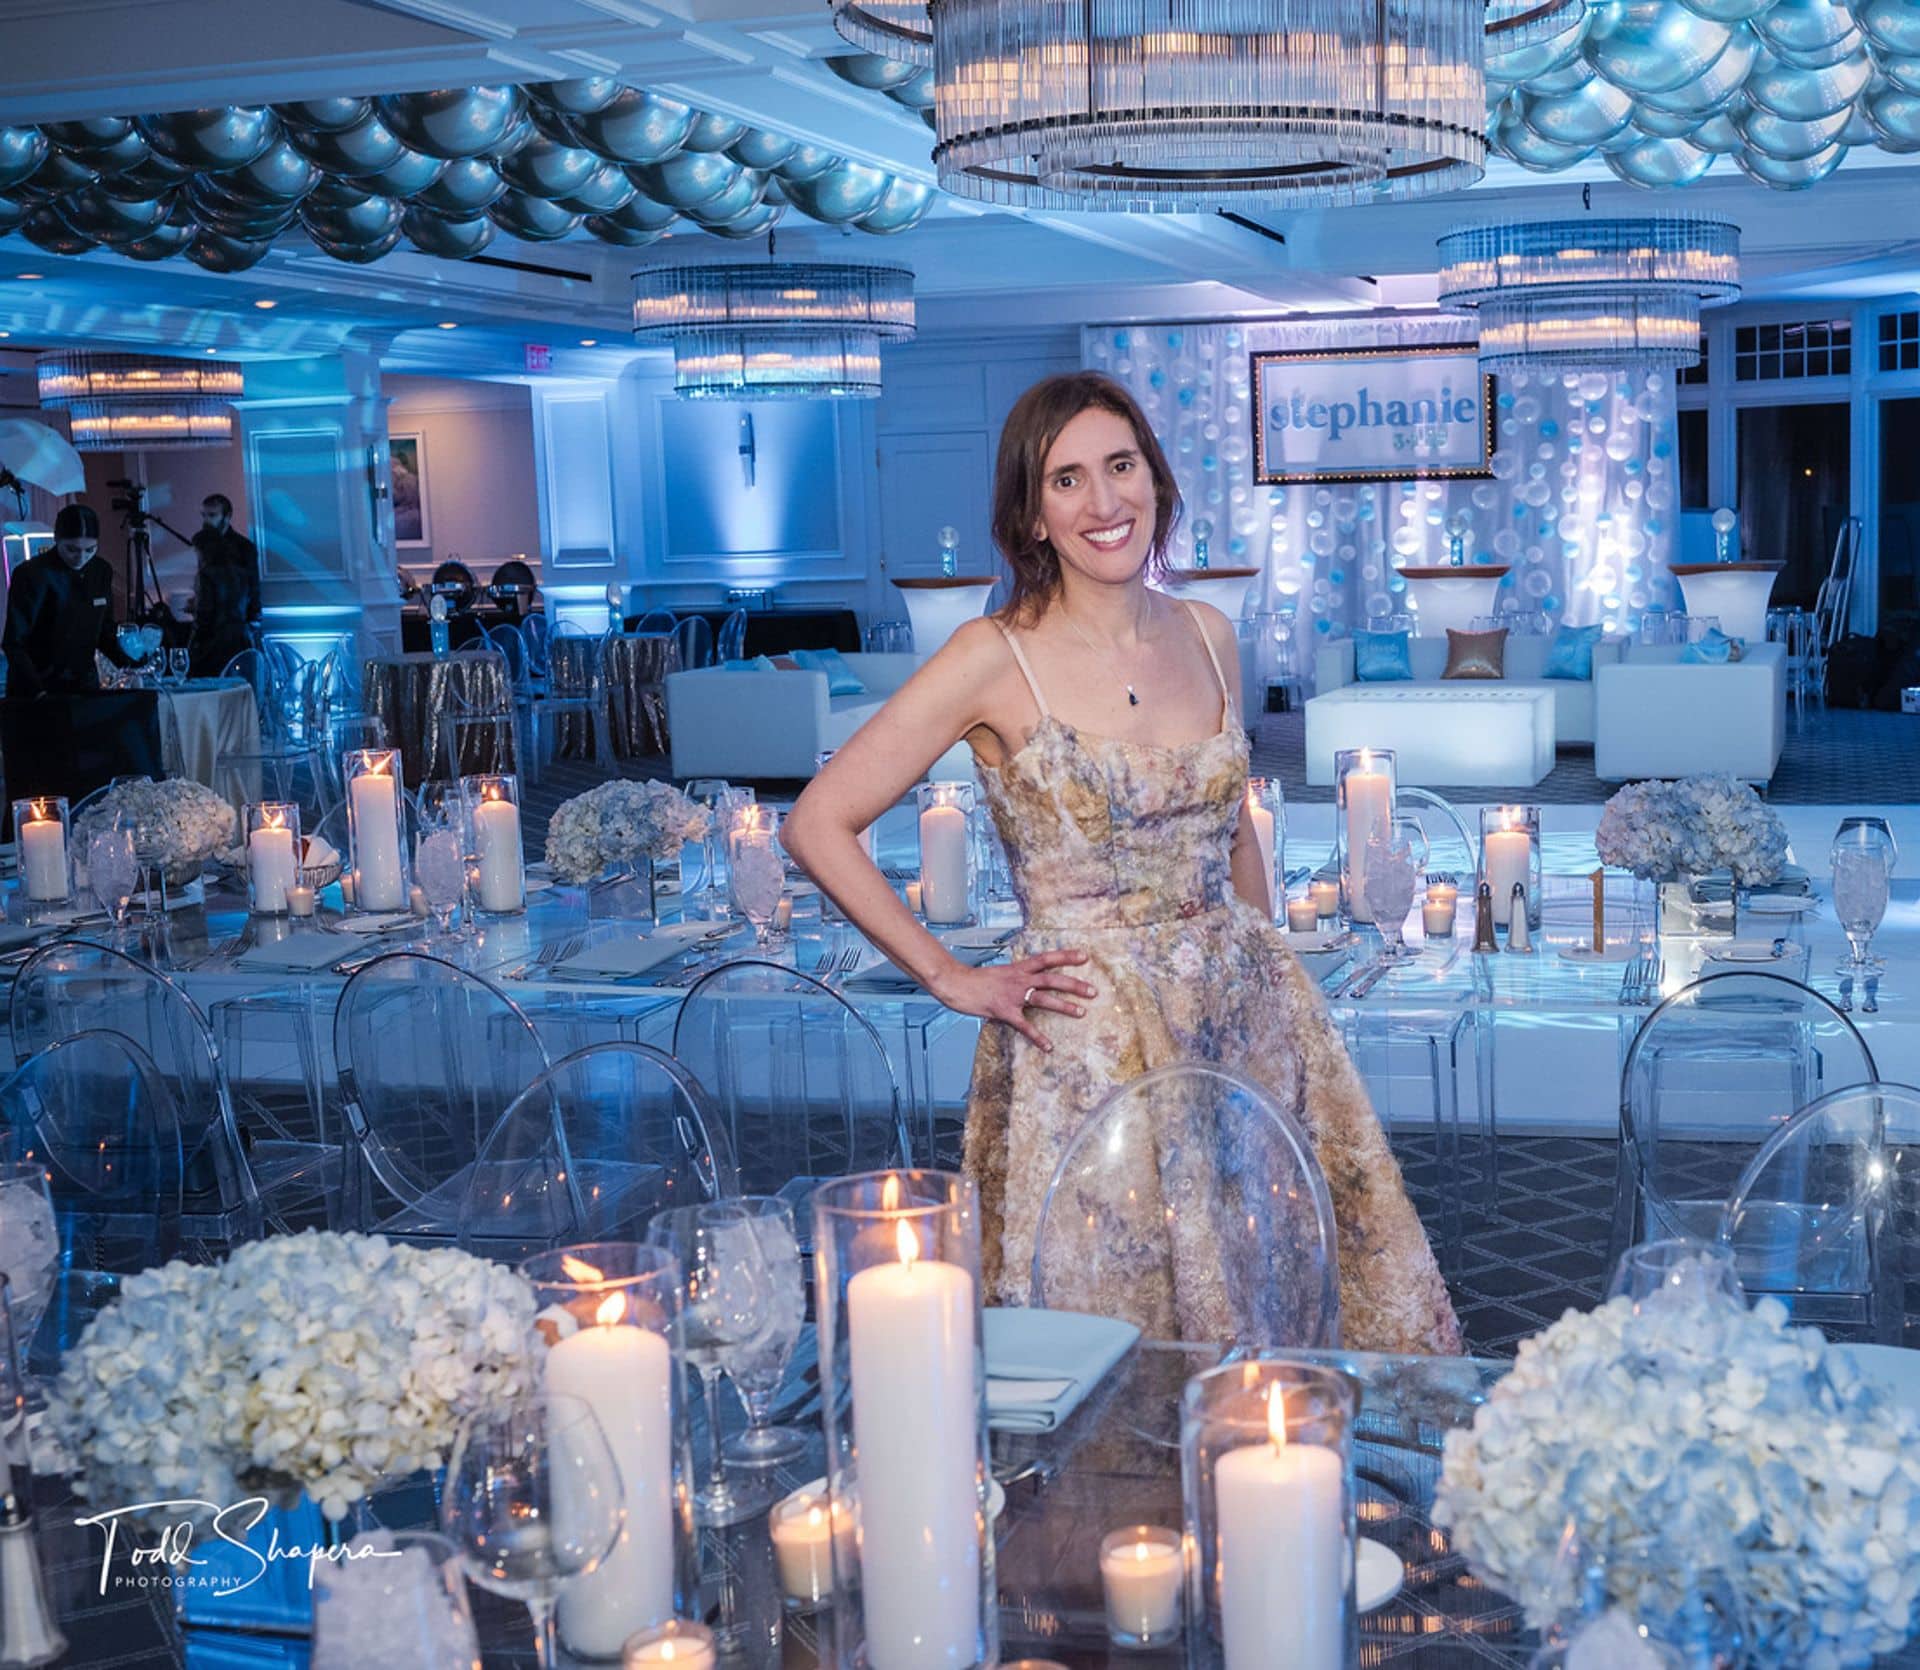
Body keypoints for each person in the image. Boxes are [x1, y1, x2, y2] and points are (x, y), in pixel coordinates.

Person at [783, 372, 1459, 1355]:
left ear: (1157, 479)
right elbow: (817, 823)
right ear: (1032, 513)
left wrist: (1266, 962)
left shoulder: (1209, 633)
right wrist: (950, 975)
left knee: (1275, 1289)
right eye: (1068, 480)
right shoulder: (990, 656)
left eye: (1121, 466)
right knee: (1110, 1327)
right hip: (1087, 1050)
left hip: (1246, 1024)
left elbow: (1232, 834)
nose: (1105, 502)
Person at [2, 503, 138, 701]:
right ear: (56, 539)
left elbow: (103, 631)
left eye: (90, 550)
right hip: (36, 689)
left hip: (83, 686)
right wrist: (39, 692)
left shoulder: (101, 571)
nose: (81, 558)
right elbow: (14, 643)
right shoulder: (31, 574)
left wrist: (129, 665)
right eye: (72, 549)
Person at [186, 494, 260, 678]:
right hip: (226, 630)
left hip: (229, 633)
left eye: (212, 515)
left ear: (227, 516)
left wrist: (252, 622)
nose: (206, 521)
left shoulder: (244, 548)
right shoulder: (207, 547)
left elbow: (253, 588)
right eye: (203, 515)